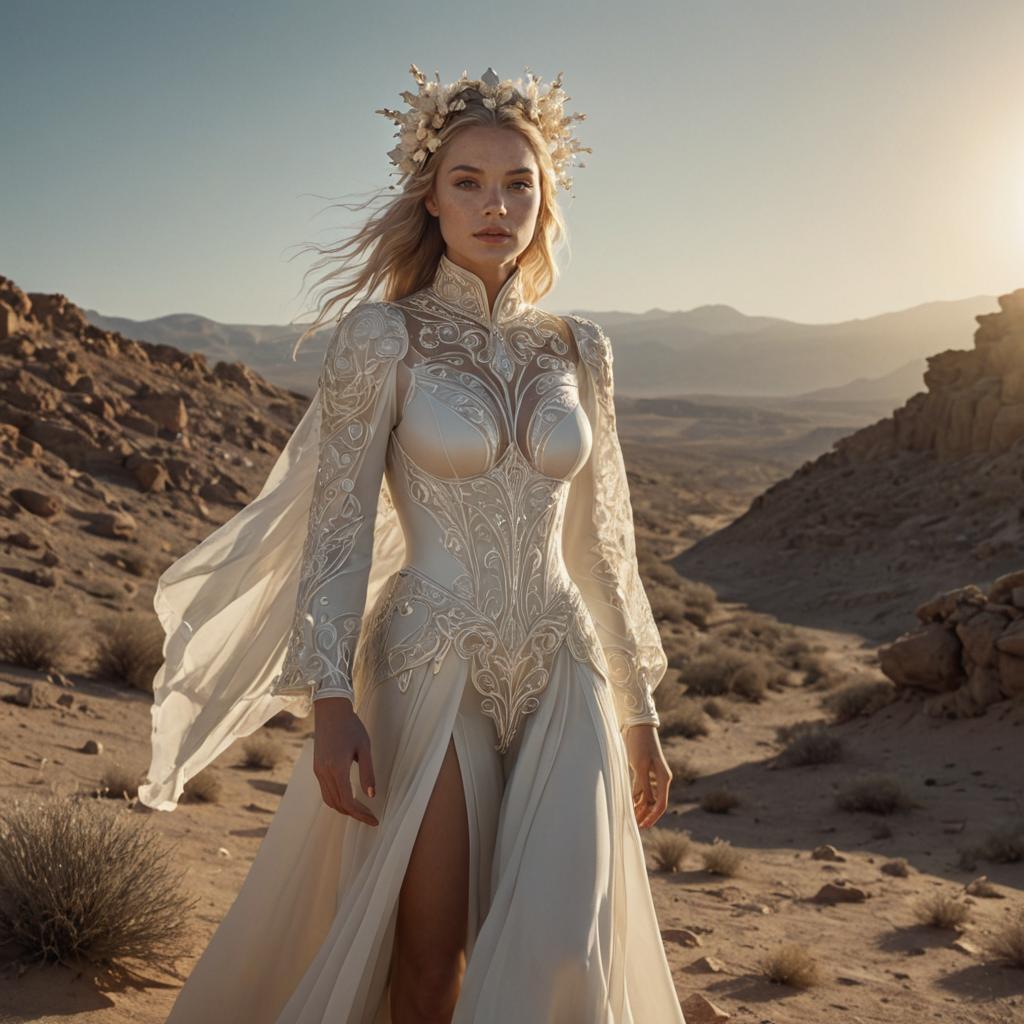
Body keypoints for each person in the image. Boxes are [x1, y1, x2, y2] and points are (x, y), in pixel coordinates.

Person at [140, 64, 685, 1024]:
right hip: (430, 664)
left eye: (520, 183)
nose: (496, 204)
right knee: (429, 962)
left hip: (567, 664)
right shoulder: (381, 338)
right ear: (430, 197)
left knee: (567, 944)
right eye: (469, 181)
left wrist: (640, 710)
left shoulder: (581, 347)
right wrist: (329, 701)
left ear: (545, 201)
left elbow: (605, 543)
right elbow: (340, 532)